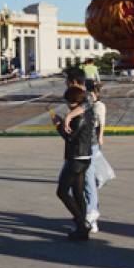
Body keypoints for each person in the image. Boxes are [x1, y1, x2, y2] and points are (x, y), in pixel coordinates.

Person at [53, 87, 95, 240]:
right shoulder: (87, 112)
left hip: (76, 158)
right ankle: (81, 227)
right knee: (78, 192)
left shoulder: (79, 117)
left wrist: (58, 124)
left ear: (72, 102)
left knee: (62, 192)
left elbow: (69, 137)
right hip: (85, 157)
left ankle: (81, 224)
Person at [83, 80, 106, 232]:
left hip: (91, 144)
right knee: (87, 182)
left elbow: (101, 123)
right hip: (88, 144)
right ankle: (91, 215)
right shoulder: (88, 103)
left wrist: (101, 137)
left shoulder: (97, 105)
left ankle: (92, 215)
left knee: (89, 180)